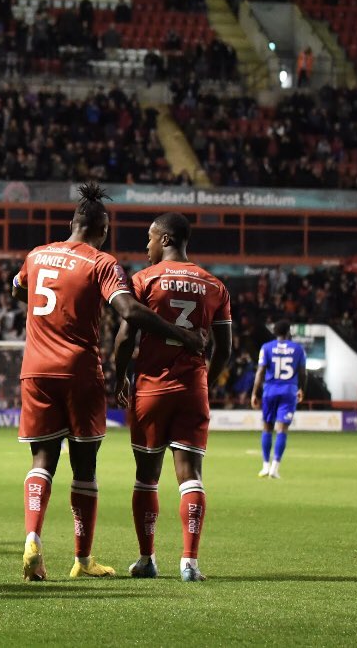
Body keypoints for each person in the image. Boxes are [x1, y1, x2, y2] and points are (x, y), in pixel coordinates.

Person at [12, 187, 207, 583]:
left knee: (41, 461)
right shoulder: (100, 262)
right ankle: (82, 559)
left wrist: (45, 318)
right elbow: (129, 310)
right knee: (84, 468)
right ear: (103, 230)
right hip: (79, 370)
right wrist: (183, 335)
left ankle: (32, 536)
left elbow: (19, 289)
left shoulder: (36, 255)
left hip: (35, 368)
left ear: (72, 224)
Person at [113, 212, 231, 583]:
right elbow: (225, 348)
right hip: (191, 389)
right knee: (190, 476)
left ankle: (147, 559)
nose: (145, 245)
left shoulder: (144, 279)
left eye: (149, 238)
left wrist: (120, 377)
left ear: (165, 239)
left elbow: (124, 339)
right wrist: (205, 380)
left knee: (146, 478)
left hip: (151, 388)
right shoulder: (214, 284)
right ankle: (190, 563)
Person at [250, 320, 306, 479]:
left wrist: (255, 393)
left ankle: (265, 466)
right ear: (289, 332)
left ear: (275, 332)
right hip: (289, 391)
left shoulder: (266, 348)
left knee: (267, 428)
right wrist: (302, 388)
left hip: (270, 391)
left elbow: (260, 371)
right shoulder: (298, 349)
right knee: (282, 429)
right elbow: (303, 373)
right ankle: (275, 468)